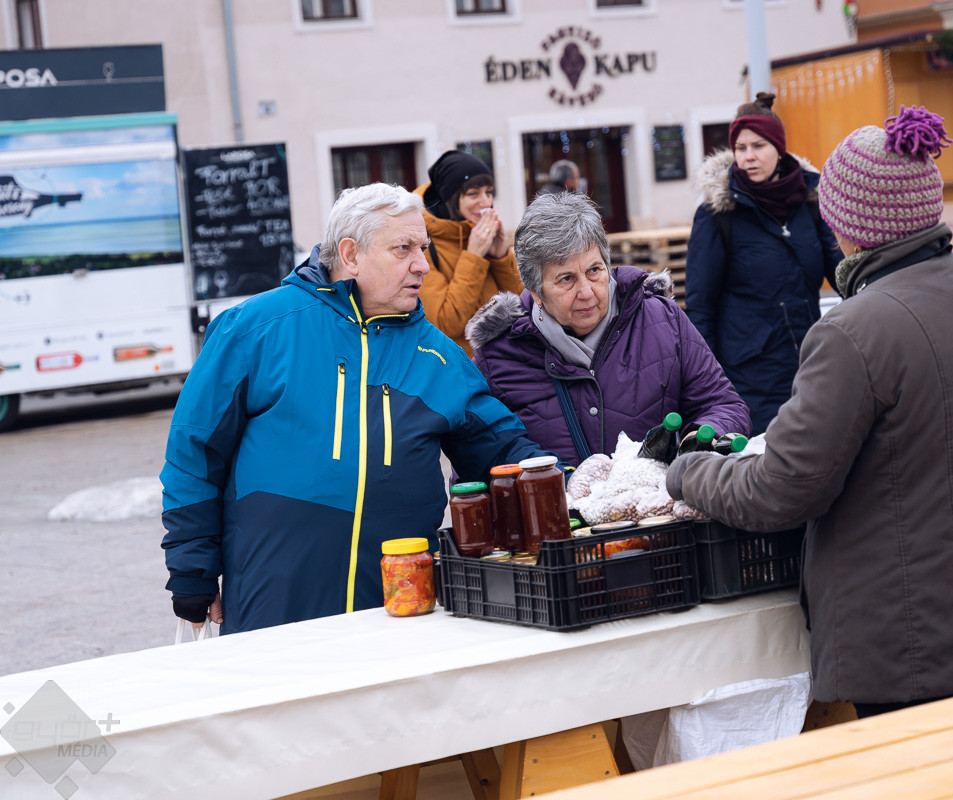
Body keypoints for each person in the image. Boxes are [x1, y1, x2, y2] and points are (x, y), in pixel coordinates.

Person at [666, 106, 953, 718]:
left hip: (912, 638)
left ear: (848, 222)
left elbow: (780, 490)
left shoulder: (854, 331)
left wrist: (689, 470)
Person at [161, 183, 554, 635]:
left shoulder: (440, 358)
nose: (422, 265)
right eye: (403, 249)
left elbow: (504, 451)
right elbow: (194, 450)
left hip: (397, 609)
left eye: (423, 248)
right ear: (350, 254)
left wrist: (570, 482)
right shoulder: (255, 328)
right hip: (274, 604)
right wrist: (192, 568)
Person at [466, 192, 750, 466]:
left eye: (594, 270)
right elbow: (478, 458)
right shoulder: (499, 357)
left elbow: (723, 404)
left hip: (656, 499)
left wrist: (703, 434)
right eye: (566, 279)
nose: (586, 292)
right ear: (536, 292)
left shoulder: (663, 321)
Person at [685, 92, 842, 435]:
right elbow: (700, 307)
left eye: (758, 146)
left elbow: (842, 273)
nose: (748, 156)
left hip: (811, 365)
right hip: (749, 378)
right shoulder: (718, 213)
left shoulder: (810, 200)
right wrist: (709, 387)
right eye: (740, 148)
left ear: (779, 148)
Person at [415, 150, 523, 356]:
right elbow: (445, 323)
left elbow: (522, 304)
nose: (486, 202)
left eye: (489, 192)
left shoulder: (479, 231)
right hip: (462, 365)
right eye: (473, 194)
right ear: (450, 197)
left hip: (506, 359)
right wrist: (473, 257)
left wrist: (500, 257)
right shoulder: (423, 242)